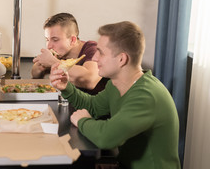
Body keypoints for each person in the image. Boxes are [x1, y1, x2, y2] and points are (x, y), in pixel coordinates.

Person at [50, 21, 181, 169]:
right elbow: (93, 106)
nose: (94, 58)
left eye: (101, 52)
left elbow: (107, 137)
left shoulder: (146, 96)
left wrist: (82, 121)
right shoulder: (116, 83)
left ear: (121, 59)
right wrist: (66, 87)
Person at [32, 12, 106, 95]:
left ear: (72, 40)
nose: (49, 46)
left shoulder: (92, 49)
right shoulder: (60, 53)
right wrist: (39, 67)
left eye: (55, 40)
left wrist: (52, 62)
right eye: (47, 39)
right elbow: (35, 74)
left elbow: (90, 80)